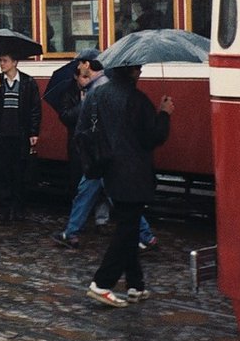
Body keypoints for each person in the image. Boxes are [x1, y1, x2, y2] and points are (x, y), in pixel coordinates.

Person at [79, 64, 173, 307]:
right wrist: (164, 113)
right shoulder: (137, 99)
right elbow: (153, 137)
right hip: (133, 171)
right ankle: (102, 283)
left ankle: (135, 285)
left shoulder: (97, 94)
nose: (140, 72)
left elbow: (84, 130)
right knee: (126, 229)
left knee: (128, 226)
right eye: (138, 69)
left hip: (110, 170)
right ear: (130, 71)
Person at [53, 60, 158, 251]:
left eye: (82, 66)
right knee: (106, 196)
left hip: (102, 155)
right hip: (111, 154)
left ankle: (72, 233)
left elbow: (87, 126)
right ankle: (146, 236)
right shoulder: (110, 87)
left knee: (95, 194)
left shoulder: (97, 92)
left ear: (88, 66)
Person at [0, 52, 41, 222]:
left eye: (5, 61)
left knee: (20, 173)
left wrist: (34, 132)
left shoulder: (28, 82)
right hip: (2, 135)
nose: (2, 64)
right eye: (1, 61)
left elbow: (35, 109)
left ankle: (19, 209)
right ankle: (4, 211)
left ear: (14, 62)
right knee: (3, 174)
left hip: (20, 134)